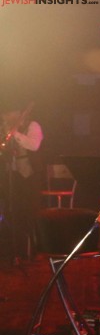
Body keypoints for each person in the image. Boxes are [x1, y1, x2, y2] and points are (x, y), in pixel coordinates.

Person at [1, 104, 43, 261]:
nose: (5, 118)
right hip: (13, 176)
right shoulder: (6, 130)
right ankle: (17, 250)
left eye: (7, 115)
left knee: (30, 212)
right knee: (13, 213)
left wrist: (15, 134)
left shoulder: (33, 125)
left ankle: (34, 250)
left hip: (30, 176)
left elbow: (34, 145)